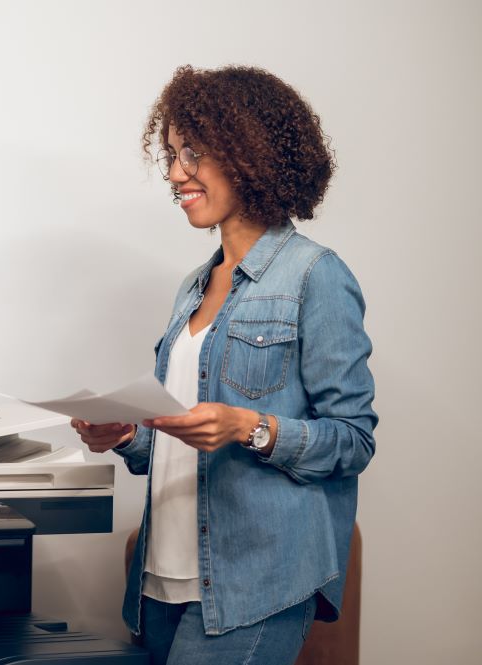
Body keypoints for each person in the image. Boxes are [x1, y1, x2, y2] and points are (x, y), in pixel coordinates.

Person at [72, 65, 376, 664]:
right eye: (171, 154)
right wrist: (128, 435)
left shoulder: (317, 276)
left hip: (255, 583)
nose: (175, 172)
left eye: (194, 152)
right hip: (162, 579)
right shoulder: (193, 287)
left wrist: (249, 428)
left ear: (251, 153)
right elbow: (181, 437)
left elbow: (354, 441)